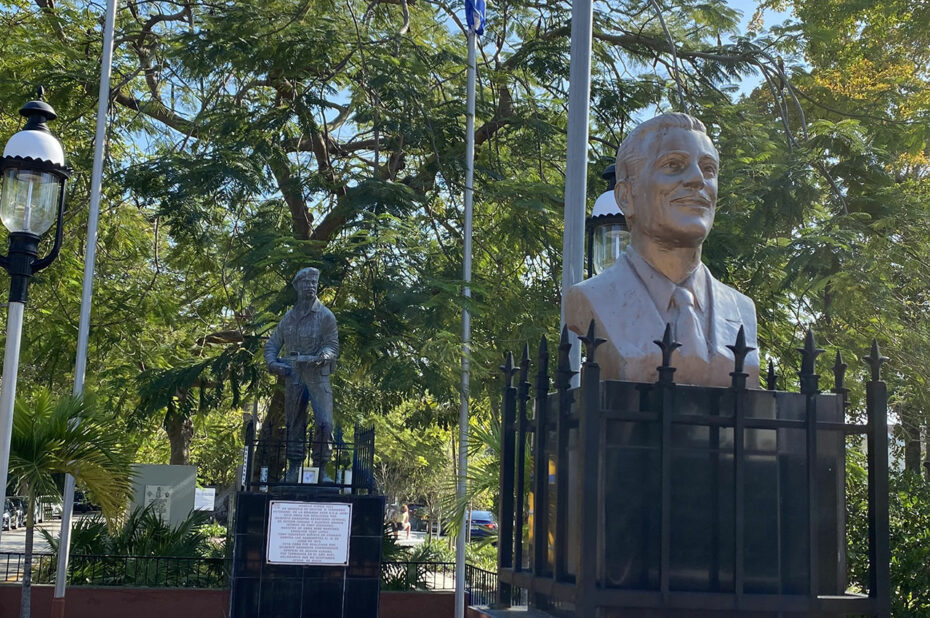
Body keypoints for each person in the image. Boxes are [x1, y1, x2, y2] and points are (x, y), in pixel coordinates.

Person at [565, 113, 759, 387]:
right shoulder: (593, 298)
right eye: (673, 165)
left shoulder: (741, 310)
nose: (697, 179)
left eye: (708, 169)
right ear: (625, 196)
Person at [264, 267, 340, 482]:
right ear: (297, 286)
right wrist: (272, 363)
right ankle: (294, 466)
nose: (310, 287)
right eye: (305, 283)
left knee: (325, 423)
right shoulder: (288, 318)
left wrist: (323, 355)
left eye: (313, 283)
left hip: (318, 375)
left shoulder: (326, 316)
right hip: (294, 376)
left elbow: (332, 346)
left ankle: (321, 468)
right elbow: (272, 345)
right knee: (294, 422)